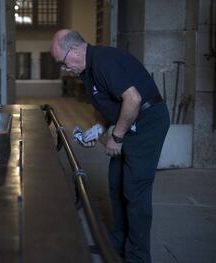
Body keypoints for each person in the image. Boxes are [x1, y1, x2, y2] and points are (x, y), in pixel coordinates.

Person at [50, 29, 170, 263]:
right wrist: (97, 129)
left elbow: (133, 99)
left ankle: (137, 256)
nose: (65, 69)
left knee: (135, 190)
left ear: (74, 50)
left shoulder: (104, 61)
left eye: (63, 63)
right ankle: (117, 242)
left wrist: (116, 137)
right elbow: (108, 104)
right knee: (116, 183)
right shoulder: (88, 70)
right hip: (127, 122)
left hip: (147, 123)